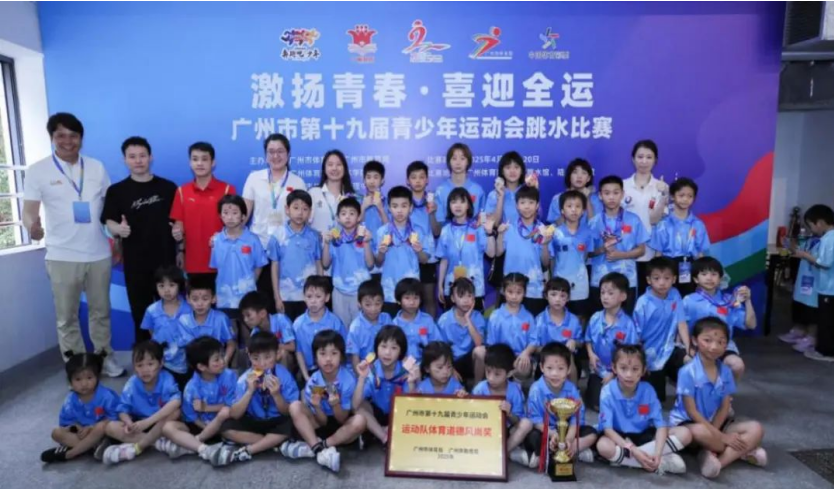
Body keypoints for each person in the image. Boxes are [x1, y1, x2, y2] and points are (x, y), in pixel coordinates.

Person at [22, 112, 123, 376]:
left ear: (81, 138)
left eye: (73, 135)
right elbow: (29, 211)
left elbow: (110, 209)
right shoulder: (38, 170)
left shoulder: (96, 167)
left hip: (98, 253)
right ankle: (77, 367)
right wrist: (32, 227)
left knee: (101, 312)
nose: (68, 141)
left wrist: (117, 241)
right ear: (52, 137)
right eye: (61, 135)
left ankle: (104, 358)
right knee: (67, 317)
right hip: (61, 255)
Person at [669, 317, 767, 479]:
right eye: (707, 340)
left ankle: (717, 461)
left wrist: (716, 432)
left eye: (721, 342)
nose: (714, 347)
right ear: (694, 340)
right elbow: (692, 411)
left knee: (756, 428)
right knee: (700, 431)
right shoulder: (687, 372)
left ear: (726, 345)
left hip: (717, 423)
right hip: (690, 424)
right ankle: (742, 451)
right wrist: (721, 437)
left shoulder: (725, 371)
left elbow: (724, 407)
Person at [102, 136, 177, 342]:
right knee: (141, 314)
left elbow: (178, 221)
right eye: (132, 156)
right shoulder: (116, 191)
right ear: (124, 160)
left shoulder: (168, 188)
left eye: (142, 156)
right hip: (135, 263)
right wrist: (119, 229)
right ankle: (145, 357)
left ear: (150, 157)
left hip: (165, 261)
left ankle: (172, 356)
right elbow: (109, 221)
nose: (138, 161)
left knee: (170, 313)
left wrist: (180, 240)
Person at [595, 344, 690, 474]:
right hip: (618, 438)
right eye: (623, 368)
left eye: (635, 369)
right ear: (614, 368)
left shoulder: (648, 390)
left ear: (643, 370)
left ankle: (630, 460)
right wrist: (634, 450)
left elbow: (661, 426)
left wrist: (657, 453)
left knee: (685, 433)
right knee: (603, 446)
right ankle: (657, 462)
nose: (629, 374)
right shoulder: (607, 392)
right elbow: (608, 430)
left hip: (644, 435)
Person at [283, 330, 367, 473]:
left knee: (360, 421)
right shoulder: (313, 381)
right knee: (295, 406)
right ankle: (319, 450)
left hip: (341, 427)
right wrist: (317, 406)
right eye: (322, 354)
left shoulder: (348, 380)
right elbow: (322, 422)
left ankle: (317, 447)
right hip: (319, 422)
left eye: (334, 353)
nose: (328, 359)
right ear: (315, 357)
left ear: (341, 356)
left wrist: (335, 405)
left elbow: (342, 419)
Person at [242, 133, 307, 311]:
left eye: (280, 151)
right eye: (271, 151)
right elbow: (244, 214)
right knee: (260, 303)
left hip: (287, 251)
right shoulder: (254, 178)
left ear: (288, 154)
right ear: (265, 155)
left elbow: (303, 218)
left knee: (285, 302)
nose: (275, 156)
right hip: (259, 248)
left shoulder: (297, 182)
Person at [215, 332, 298, 465]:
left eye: (267, 357)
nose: (262, 364)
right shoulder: (244, 380)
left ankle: (251, 449)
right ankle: (271, 443)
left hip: (276, 420)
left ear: (277, 354)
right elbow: (235, 414)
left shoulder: (284, 376)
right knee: (226, 428)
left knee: (291, 423)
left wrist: (276, 395)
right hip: (254, 421)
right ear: (249, 356)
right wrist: (249, 391)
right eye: (256, 358)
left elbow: (287, 411)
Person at [102, 341, 181, 464]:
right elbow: (122, 408)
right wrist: (128, 422)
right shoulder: (132, 383)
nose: (145, 370)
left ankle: (137, 447)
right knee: (110, 427)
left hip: (159, 423)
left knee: (175, 413)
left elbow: (176, 401)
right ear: (134, 367)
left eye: (150, 364)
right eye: (139, 365)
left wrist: (148, 422)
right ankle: (159, 444)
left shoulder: (166, 378)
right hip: (139, 425)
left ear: (161, 363)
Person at [156, 336, 233, 463]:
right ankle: (204, 449)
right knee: (167, 427)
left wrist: (207, 408)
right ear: (202, 366)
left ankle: (190, 445)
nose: (222, 361)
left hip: (223, 424)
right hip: (200, 425)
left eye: (222, 356)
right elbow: (191, 416)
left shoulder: (229, 376)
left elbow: (231, 405)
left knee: (226, 413)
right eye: (216, 359)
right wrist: (206, 428)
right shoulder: (191, 388)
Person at [169, 142, 235, 286]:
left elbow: (235, 226)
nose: (199, 163)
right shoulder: (182, 192)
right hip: (192, 262)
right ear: (190, 163)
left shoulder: (227, 189)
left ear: (213, 162)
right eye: (195, 159)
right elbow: (179, 226)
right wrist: (179, 245)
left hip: (223, 260)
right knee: (197, 299)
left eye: (204, 159)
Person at [526, 342, 598, 468]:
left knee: (592, 433)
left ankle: (570, 449)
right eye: (549, 368)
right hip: (546, 431)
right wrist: (553, 434)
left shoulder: (571, 389)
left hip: (567, 430)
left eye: (560, 368)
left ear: (568, 369)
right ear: (541, 367)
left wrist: (568, 438)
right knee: (533, 437)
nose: (555, 373)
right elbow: (535, 420)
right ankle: (553, 451)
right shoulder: (536, 390)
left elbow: (576, 418)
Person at [683, 257, 755, 379]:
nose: (709, 278)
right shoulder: (688, 301)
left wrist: (748, 301)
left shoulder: (729, 301)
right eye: (704, 274)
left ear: (720, 278)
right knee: (691, 364)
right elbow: (681, 328)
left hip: (723, 346)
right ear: (696, 279)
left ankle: (726, 389)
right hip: (697, 346)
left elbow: (751, 325)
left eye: (714, 274)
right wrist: (688, 348)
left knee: (737, 365)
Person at [40, 353, 119, 463]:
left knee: (101, 427)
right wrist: (75, 427)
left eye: (89, 378)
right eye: (78, 379)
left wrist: (92, 428)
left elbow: (116, 418)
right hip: (83, 436)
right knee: (56, 433)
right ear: (70, 381)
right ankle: (93, 447)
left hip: (103, 434)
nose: (84, 384)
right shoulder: (70, 401)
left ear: (97, 377)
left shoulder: (106, 396)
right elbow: (65, 423)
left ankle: (70, 453)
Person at [588, 175, 650, 314]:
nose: (611, 197)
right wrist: (602, 249)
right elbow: (588, 253)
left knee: (625, 319)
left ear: (622, 194)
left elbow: (641, 250)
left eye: (616, 193)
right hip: (600, 280)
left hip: (627, 279)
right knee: (600, 319)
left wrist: (621, 255)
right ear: (600, 195)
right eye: (607, 193)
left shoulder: (633, 220)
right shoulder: (594, 222)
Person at [633, 257, 691, 403]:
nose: (662, 283)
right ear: (648, 280)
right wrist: (640, 360)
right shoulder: (643, 303)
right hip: (649, 353)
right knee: (657, 400)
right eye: (656, 278)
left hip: (670, 348)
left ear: (674, 279)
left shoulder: (675, 294)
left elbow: (682, 323)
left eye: (667, 278)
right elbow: (636, 336)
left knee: (690, 362)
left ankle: (687, 397)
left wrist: (689, 349)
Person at [472, 344, 535, 468]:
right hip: (485, 430)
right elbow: (472, 415)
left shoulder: (514, 390)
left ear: (509, 373)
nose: (491, 378)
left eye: (497, 374)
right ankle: (511, 453)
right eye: (488, 372)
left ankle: (502, 453)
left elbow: (517, 420)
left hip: (507, 430)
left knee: (527, 423)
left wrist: (509, 413)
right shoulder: (480, 389)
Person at [375, 186, 434, 316]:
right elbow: (378, 262)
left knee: (411, 325)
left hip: (411, 291)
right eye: (395, 206)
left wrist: (419, 251)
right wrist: (381, 253)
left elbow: (424, 260)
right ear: (389, 208)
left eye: (404, 206)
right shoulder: (382, 232)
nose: (399, 210)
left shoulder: (419, 230)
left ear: (411, 208)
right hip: (389, 290)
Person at [584, 272, 640, 411]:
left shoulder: (628, 324)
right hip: (598, 369)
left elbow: (630, 353)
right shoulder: (595, 318)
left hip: (619, 372)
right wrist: (591, 354)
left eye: (610, 293)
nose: (605, 297)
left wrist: (614, 373)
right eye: (602, 293)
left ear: (623, 296)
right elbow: (588, 339)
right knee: (598, 405)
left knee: (618, 403)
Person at [267, 189, 323, 321]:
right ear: (287, 210)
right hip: (286, 296)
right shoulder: (277, 236)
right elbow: (274, 267)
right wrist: (277, 297)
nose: (300, 213)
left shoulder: (314, 236)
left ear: (310, 212)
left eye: (305, 209)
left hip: (310, 297)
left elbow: (318, 264)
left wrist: (321, 291)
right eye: (296, 208)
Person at [648, 177, 710, 297]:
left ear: (694, 199)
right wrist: (656, 275)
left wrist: (703, 274)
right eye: (681, 195)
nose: (685, 199)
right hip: (667, 268)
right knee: (668, 300)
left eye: (690, 196)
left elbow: (700, 254)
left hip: (690, 267)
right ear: (672, 196)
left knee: (689, 299)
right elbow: (658, 254)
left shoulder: (698, 224)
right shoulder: (663, 224)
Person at [436, 187, 496, 311]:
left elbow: (491, 254)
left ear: (468, 205)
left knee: (474, 321)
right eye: (454, 202)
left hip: (475, 289)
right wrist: (440, 286)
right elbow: (444, 260)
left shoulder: (477, 228)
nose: (458, 205)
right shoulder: (445, 230)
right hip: (451, 288)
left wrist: (489, 233)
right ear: (449, 206)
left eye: (462, 201)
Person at [495, 186, 551, 314]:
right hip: (511, 289)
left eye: (531, 202)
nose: (527, 206)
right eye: (523, 202)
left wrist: (545, 245)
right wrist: (500, 235)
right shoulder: (509, 228)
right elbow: (498, 252)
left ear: (537, 205)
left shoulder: (543, 230)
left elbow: (546, 263)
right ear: (517, 206)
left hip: (534, 289)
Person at [210, 194, 268, 319]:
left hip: (247, 294)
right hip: (224, 295)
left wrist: (250, 282)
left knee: (248, 324)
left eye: (235, 213)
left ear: (243, 216)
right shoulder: (217, 241)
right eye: (225, 213)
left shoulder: (253, 239)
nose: (230, 217)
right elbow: (217, 268)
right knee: (228, 326)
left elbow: (259, 265)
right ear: (220, 215)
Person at [623, 140, 669, 295]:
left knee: (646, 295)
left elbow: (655, 220)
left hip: (650, 250)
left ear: (655, 160)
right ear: (633, 159)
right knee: (626, 296)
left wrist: (663, 196)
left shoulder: (661, 187)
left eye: (649, 157)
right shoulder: (622, 186)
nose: (644, 161)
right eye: (640, 156)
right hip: (625, 251)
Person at [352, 326, 410, 445]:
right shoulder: (371, 369)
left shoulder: (407, 369)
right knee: (360, 407)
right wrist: (362, 378)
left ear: (401, 352)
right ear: (376, 349)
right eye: (383, 346)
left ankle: (383, 431)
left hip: (399, 414)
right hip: (378, 414)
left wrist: (412, 381)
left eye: (394, 348)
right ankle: (385, 438)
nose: (387, 352)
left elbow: (410, 403)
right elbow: (355, 405)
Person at [322, 197, 374, 327]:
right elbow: (325, 264)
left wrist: (367, 243)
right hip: (339, 290)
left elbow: (370, 264)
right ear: (338, 218)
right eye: (343, 214)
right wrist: (326, 244)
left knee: (361, 327)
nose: (348, 217)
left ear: (359, 217)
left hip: (360, 291)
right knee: (341, 328)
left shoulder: (365, 235)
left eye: (352, 213)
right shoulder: (334, 237)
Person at [543, 190, 594, 321]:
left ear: (583, 211)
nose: (574, 210)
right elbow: (549, 260)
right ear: (562, 211)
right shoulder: (554, 233)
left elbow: (586, 256)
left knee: (580, 318)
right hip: (559, 283)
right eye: (569, 206)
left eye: (578, 206)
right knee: (558, 317)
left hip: (581, 284)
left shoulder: (588, 232)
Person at [792, 204, 834, 362]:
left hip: (829, 288)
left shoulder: (830, 239)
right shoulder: (828, 238)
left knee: (826, 322)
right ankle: (823, 349)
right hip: (826, 287)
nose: (811, 229)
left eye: (811, 225)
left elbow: (825, 262)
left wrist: (804, 255)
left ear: (820, 222)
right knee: (825, 320)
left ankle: (825, 352)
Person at [292, 275, 347, 382]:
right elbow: (299, 352)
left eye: (318, 297)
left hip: (333, 370)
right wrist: (306, 377)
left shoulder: (335, 322)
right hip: (309, 371)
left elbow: (343, 349)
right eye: (309, 296)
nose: (313, 301)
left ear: (327, 297)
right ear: (304, 297)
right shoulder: (298, 324)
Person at [485, 151, 526, 290]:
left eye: (516, 167)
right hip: (502, 246)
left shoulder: (528, 192)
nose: (512, 171)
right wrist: (501, 197)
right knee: (503, 290)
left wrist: (535, 190)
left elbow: (537, 218)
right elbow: (494, 224)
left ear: (522, 170)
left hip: (525, 245)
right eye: (508, 167)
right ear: (502, 171)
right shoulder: (493, 195)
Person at [486, 273, 538, 379]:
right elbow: (491, 343)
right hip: (500, 357)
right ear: (503, 291)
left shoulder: (528, 317)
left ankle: (517, 386)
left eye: (519, 292)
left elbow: (534, 341)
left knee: (523, 369)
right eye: (510, 292)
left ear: (524, 293)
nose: (514, 297)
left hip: (520, 356)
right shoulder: (495, 316)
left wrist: (526, 353)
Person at [179, 276, 236, 372]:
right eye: (195, 299)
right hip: (195, 367)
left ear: (214, 298)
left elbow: (231, 343)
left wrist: (224, 362)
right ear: (188, 299)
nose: (200, 304)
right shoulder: (184, 321)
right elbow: (189, 348)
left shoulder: (221, 318)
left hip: (219, 365)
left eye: (205, 299)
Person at [436, 278, 487, 382]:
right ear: (453, 298)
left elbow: (479, 343)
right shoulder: (444, 320)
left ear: (474, 298)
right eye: (461, 296)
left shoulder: (478, 317)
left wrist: (468, 318)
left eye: (469, 296)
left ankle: (477, 387)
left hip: (471, 360)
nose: (466, 300)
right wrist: (451, 368)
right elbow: (440, 349)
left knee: (481, 351)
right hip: (451, 361)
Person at [405, 161, 439, 316]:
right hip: (407, 256)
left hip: (428, 258)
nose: (417, 181)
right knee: (407, 300)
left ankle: (430, 330)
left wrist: (432, 213)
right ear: (408, 181)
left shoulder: (433, 201)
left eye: (421, 177)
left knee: (429, 299)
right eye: (413, 177)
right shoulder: (403, 202)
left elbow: (437, 232)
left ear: (427, 180)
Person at [430, 142, 486, 234]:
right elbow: (438, 227)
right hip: (447, 239)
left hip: (472, 239)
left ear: (468, 162)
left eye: (462, 158)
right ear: (449, 162)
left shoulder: (477, 190)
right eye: (454, 158)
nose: (458, 163)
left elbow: (483, 218)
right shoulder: (440, 191)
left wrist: (482, 225)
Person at [535, 278, 583, 383]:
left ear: (568, 298)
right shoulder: (539, 320)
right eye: (553, 294)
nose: (557, 299)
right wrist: (552, 351)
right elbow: (535, 347)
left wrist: (574, 342)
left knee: (569, 357)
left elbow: (581, 343)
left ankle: (572, 390)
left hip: (568, 359)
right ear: (546, 295)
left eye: (562, 296)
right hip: (546, 358)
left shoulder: (574, 320)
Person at [780, 232, 820, 354]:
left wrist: (804, 255)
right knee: (800, 304)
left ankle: (811, 337)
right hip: (804, 279)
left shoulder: (827, 242)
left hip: (816, 281)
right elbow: (798, 251)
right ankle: (799, 331)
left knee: (812, 309)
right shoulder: (810, 240)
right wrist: (789, 245)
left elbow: (821, 261)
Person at [239, 291, 296, 370]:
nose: (245, 320)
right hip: (268, 361)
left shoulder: (281, 320)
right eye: (243, 316)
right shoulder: (254, 333)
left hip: (289, 359)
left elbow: (292, 347)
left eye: (248, 315)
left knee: (283, 353)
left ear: (262, 313)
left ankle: (283, 377)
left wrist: (272, 347)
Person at [392, 278, 442, 362]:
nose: (412, 302)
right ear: (399, 300)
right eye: (407, 298)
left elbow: (438, 345)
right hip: (402, 365)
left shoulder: (427, 320)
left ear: (421, 299)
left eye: (416, 298)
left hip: (426, 363)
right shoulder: (394, 325)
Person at [346, 280, 392, 370]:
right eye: (368, 305)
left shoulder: (387, 319)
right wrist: (361, 376)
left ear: (383, 302)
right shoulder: (355, 327)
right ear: (359, 304)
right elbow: (355, 359)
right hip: (364, 369)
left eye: (377, 304)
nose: (373, 309)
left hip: (385, 367)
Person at [309, 150, 358, 235]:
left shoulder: (352, 197)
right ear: (324, 169)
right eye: (330, 164)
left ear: (344, 169)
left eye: (339, 164)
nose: (334, 168)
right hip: (318, 243)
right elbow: (304, 223)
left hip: (345, 243)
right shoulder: (313, 193)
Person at [546, 158, 603, 226]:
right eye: (575, 172)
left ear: (588, 178)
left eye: (584, 173)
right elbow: (554, 226)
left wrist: (587, 200)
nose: (579, 176)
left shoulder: (595, 200)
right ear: (569, 176)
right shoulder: (558, 199)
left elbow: (596, 227)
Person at [139, 265, 191, 337]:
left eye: (171, 285)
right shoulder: (151, 310)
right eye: (161, 286)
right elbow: (152, 332)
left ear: (179, 286)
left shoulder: (189, 308)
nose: (166, 290)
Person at [359, 160, 389, 241]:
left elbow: (390, 229)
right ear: (364, 180)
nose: (372, 181)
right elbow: (354, 227)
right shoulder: (358, 202)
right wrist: (363, 208)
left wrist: (381, 209)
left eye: (376, 177)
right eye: (368, 177)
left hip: (382, 246)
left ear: (382, 180)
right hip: (364, 246)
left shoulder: (388, 203)